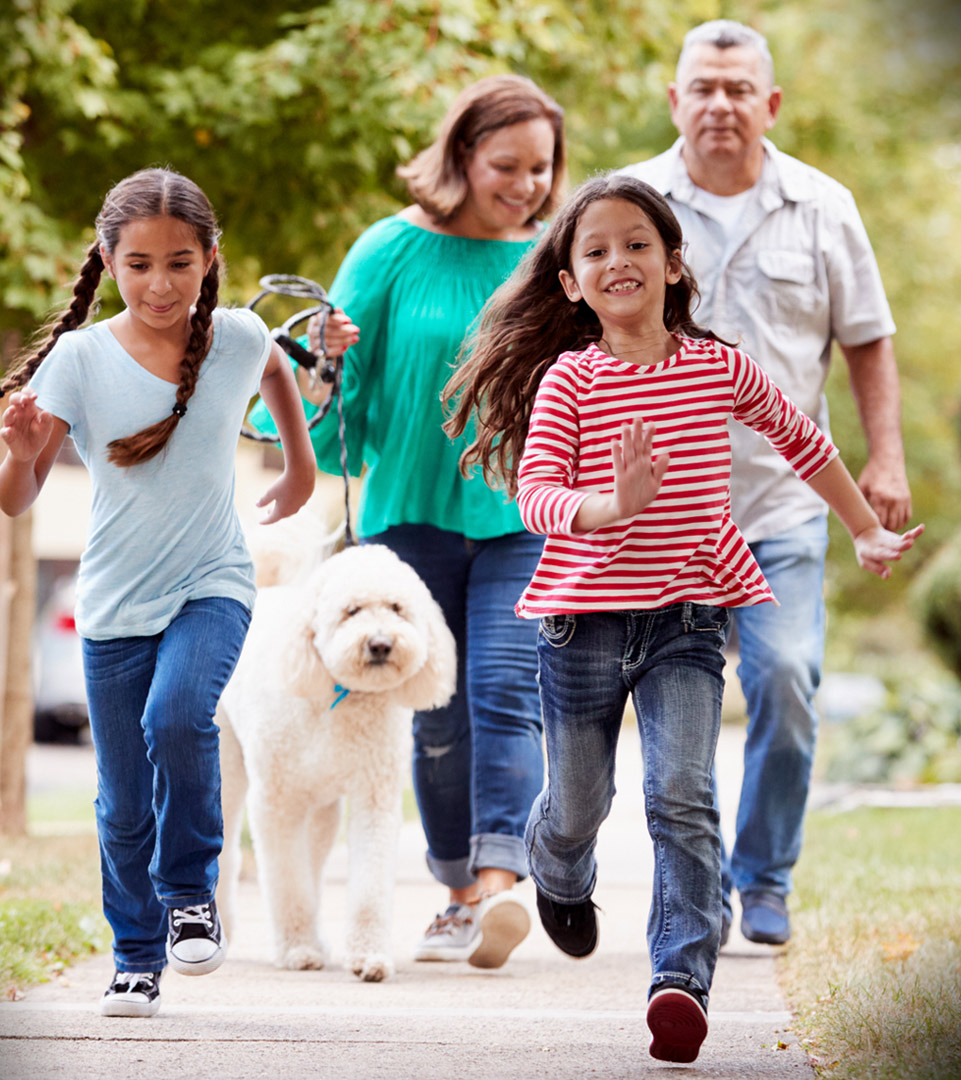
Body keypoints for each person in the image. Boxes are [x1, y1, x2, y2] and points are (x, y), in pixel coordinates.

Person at [444, 173, 921, 1063]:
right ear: (571, 284)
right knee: (578, 802)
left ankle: (679, 980)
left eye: (636, 244)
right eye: (595, 251)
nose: (618, 260)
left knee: (682, 794)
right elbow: (537, 493)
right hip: (582, 622)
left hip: (687, 619)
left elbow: (803, 439)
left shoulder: (717, 366)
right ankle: (560, 872)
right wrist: (607, 506)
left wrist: (862, 528)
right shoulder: (569, 381)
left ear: (671, 263)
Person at [0, 168, 316, 1018]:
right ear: (108, 260)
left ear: (210, 258)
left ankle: (191, 895)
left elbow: (279, 375)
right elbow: (14, 499)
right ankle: (136, 957)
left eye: (180, 263)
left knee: (177, 719)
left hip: (212, 582)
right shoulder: (79, 359)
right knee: (121, 798)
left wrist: (299, 467)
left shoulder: (239, 337)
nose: (160, 284)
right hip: (112, 603)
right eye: (139, 263)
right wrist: (20, 452)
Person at [248, 74, 567, 968]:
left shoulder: (549, 263)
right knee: (436, 717)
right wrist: (329, 365)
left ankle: (501, 885)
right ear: (462, 155)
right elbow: (320, 408)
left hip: (519, 516)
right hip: (408, 522)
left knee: (506, 691)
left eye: (542, 168)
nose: (528, 184)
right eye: (508, 164)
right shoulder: (388, 249)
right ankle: (458, 891)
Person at [621, 19, 912, 947]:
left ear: (770, 104)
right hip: (662, 518)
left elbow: (866, 336)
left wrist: (885, 457)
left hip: (787, 504)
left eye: (738, 88)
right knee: (668, 716)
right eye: (702, 87)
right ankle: (693, 892)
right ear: (675, 101)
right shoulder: (632, 207)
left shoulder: (825, 206)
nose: (719, 104)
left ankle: (766, 876)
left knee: (786, 678)